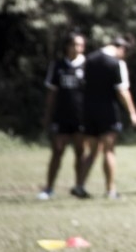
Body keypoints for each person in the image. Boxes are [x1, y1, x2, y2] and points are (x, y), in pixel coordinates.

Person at [77, 34, 136, 199]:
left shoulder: (88, 59)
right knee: (109, 151)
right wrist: (133, 112)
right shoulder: (117, 63)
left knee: (91, 152)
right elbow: (122, 91)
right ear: (122, 49)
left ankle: (79, 185)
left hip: (88, 110)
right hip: (107, 111)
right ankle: (111, 190)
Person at [37, 30, 87, 200]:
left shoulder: (88, 65)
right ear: (67, 46)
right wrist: (47, 115)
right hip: (61, 116)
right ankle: (49, 187)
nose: (77, 48)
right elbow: (52, 93)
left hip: (82, 117)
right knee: (57, 151)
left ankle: (79, 186)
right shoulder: (58, 66)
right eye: (74, 44)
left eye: (80, 45)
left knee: (80, 152)